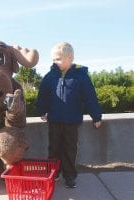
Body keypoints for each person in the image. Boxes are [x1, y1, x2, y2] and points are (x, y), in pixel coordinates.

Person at [36, 42, 102, 188]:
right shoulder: (50, 76)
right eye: (53, 59)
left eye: (58, 59)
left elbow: (90, 97)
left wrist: (96, 116)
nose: (55, 62)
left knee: (70, 149)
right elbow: (43, 95)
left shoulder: (81, 76)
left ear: (70, 58)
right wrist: (42, 110)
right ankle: (53, 173)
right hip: (54, 120)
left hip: (72, 121)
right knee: (53, 148)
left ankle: (70, 176)